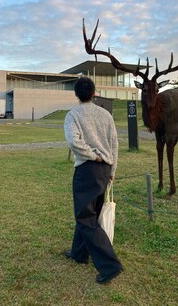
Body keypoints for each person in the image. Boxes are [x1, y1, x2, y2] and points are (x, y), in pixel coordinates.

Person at [64, 77, 123, 284]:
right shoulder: (106, 115)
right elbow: (114, 144)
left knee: (85, 216)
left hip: (87, 170)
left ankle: (110, 266)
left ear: (76, 94)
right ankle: (79, 253)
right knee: (91, 212)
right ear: (94, 93)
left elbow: (73, 142)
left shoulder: (73, 115)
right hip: (105, 169)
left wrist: (92, 155)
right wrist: (112, 170)